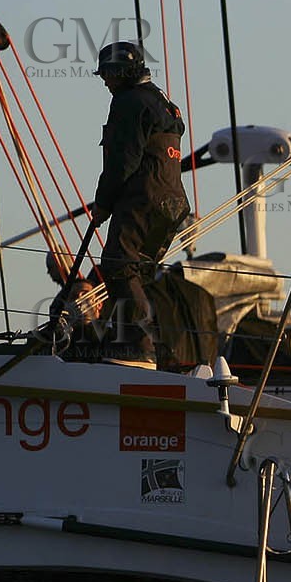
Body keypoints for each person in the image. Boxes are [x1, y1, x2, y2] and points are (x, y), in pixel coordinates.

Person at [91, 41, 190, 363]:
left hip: (144, 198)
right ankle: (148, 348)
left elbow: (123, 160)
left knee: (119, 265)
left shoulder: (129, 101)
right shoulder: (162, 101)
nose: (105, 81)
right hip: (173, 202)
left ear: (123, 73)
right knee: (140, 274)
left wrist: (103, 202)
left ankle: (137, 346)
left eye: (108, 74)